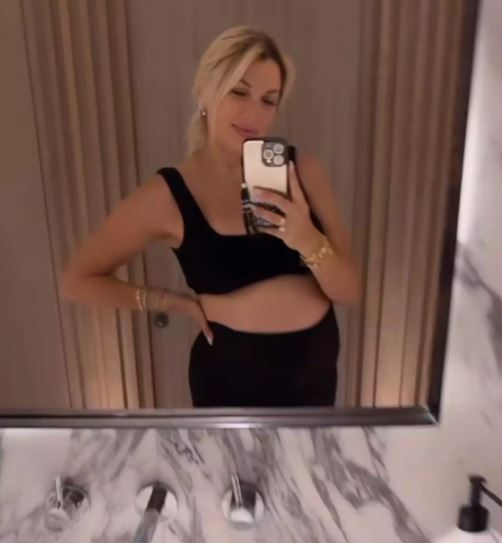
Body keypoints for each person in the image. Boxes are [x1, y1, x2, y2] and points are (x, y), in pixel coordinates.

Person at [60, 25, 361, 408]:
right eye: (239, 92)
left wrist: (307, 240)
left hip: (314, 379)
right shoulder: (168, 195)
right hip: (229, 383)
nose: (253, 113)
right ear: (205, 90)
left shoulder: (302, 172)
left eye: (268, 100)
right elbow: (77, 280)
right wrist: (167, 301)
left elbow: (350, 292)